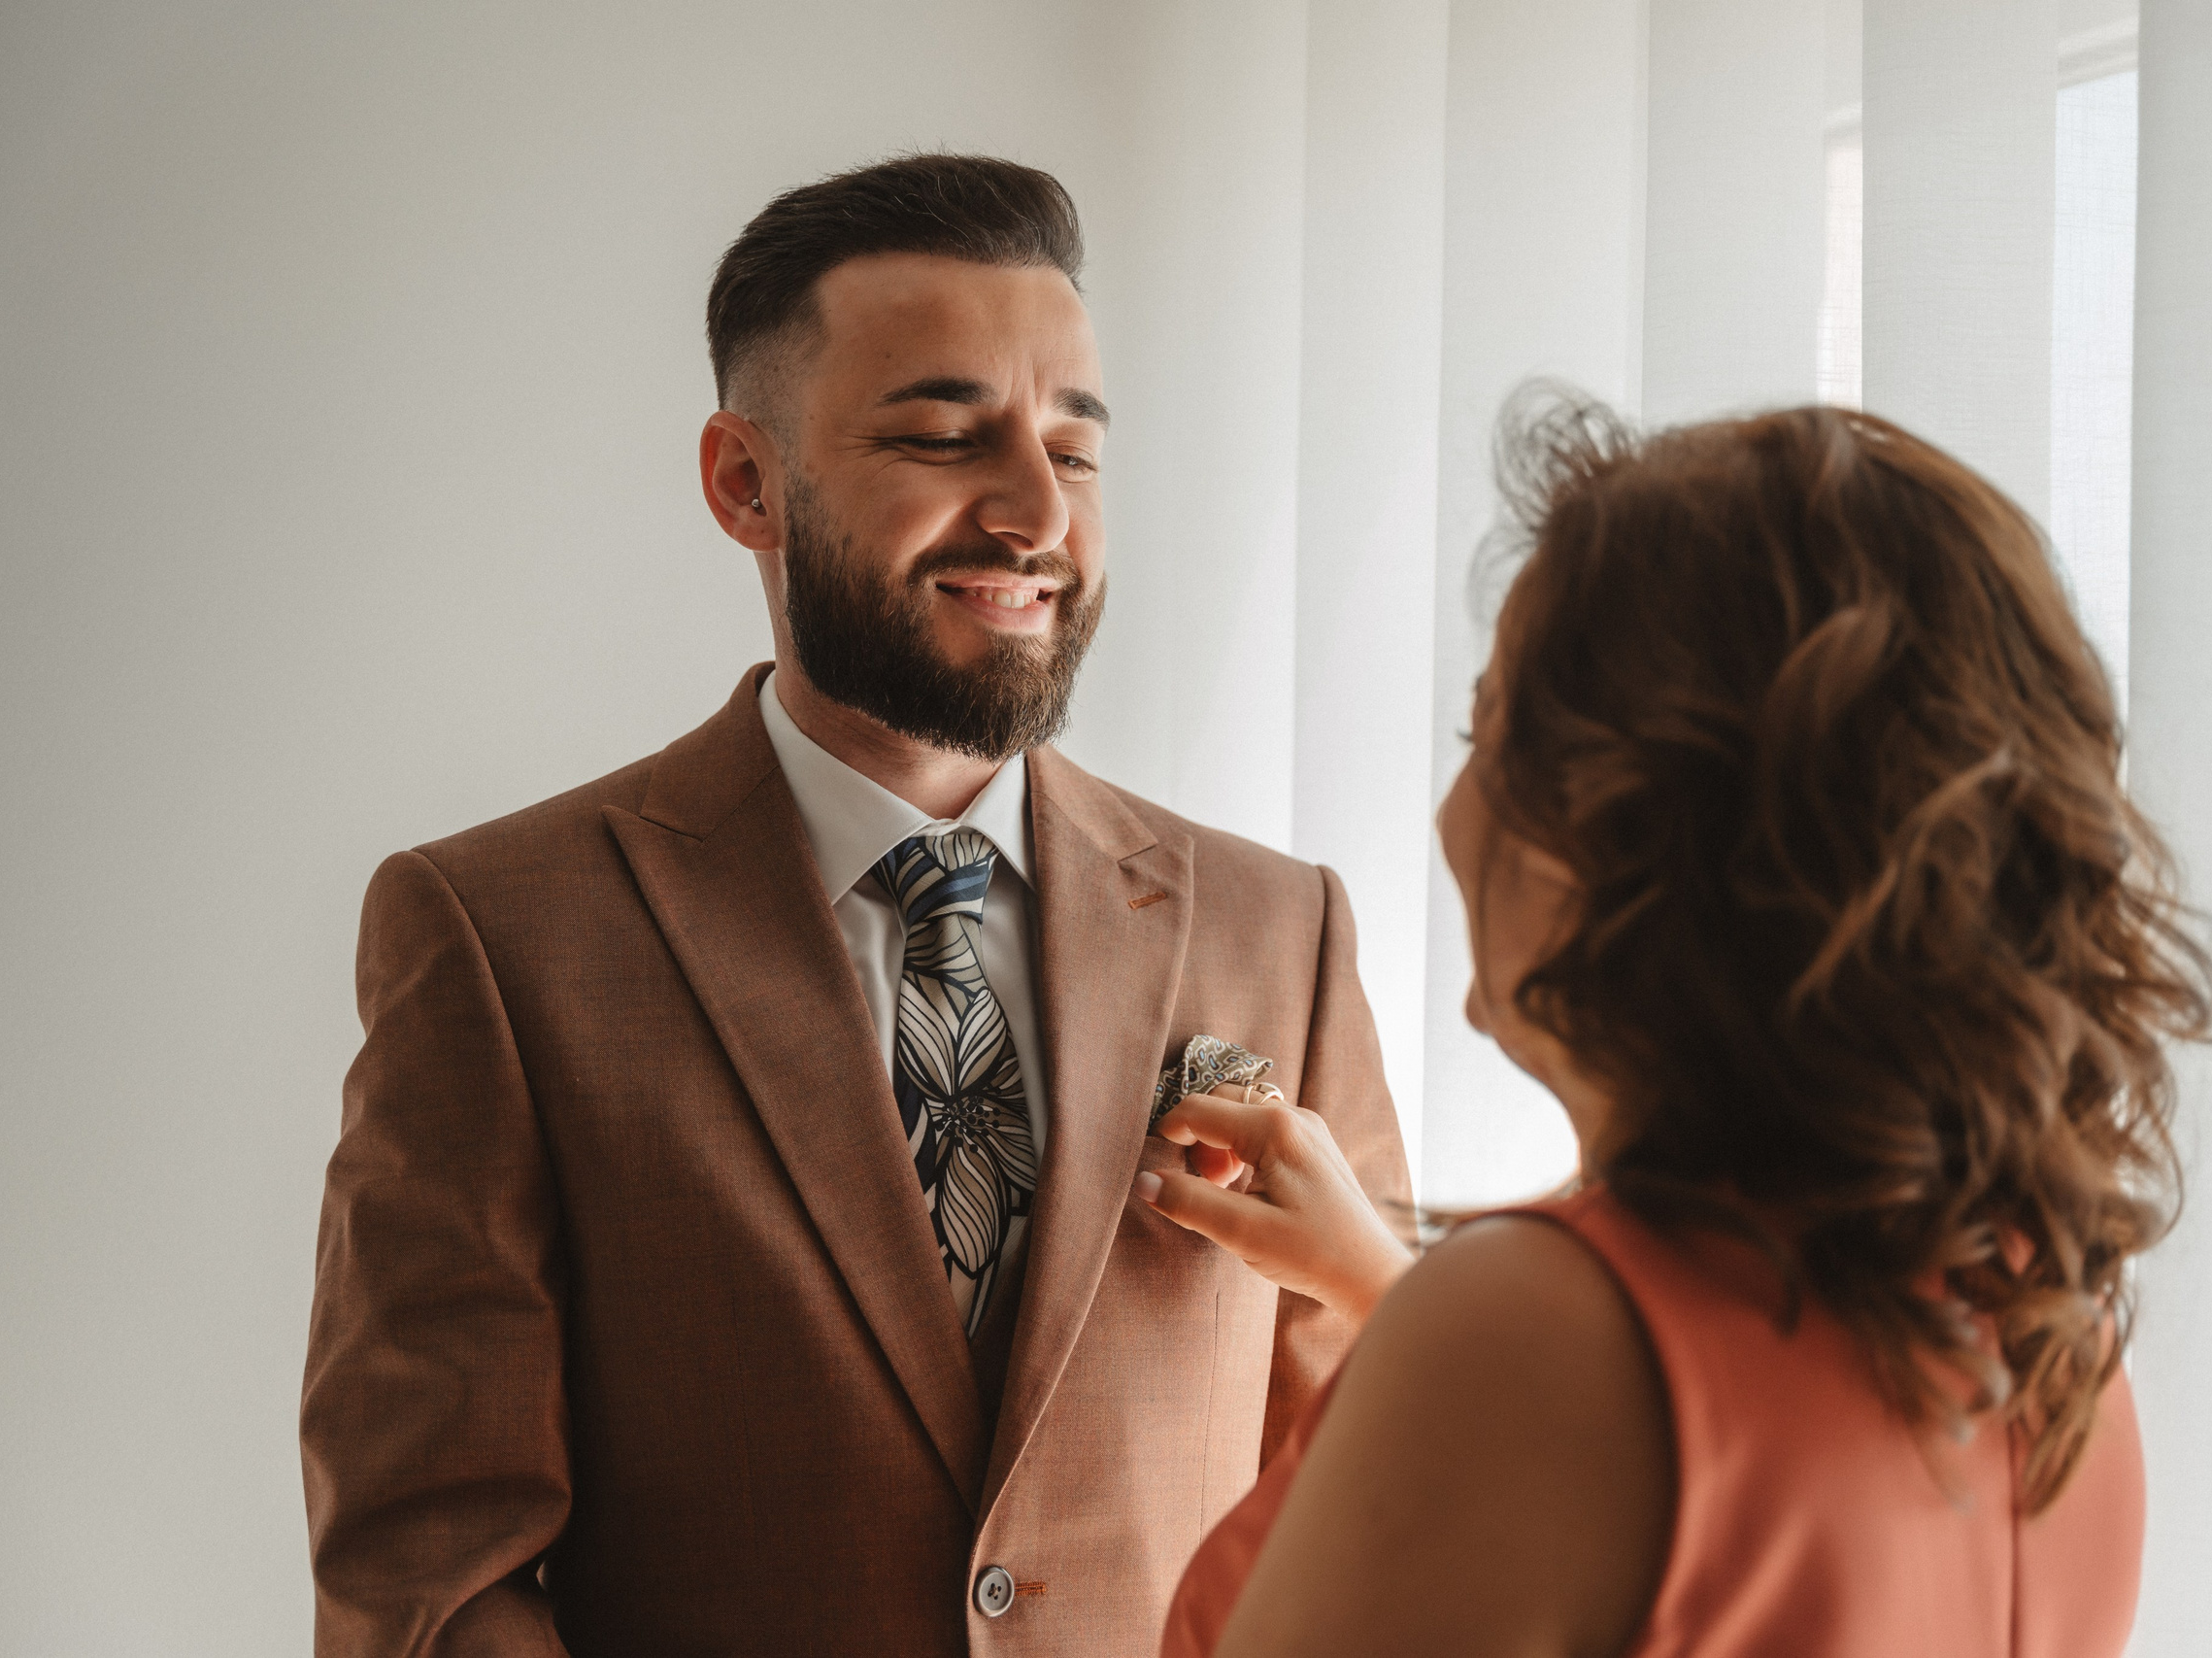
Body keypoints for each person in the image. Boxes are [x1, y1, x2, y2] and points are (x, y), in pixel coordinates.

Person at [298, 152, 1410, 1658]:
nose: (1034, 513)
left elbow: (1389, 1495)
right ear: (745, 484)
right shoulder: (500, 937)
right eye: (949, 438)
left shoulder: (1288, 932)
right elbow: (428, 1580)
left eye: (1076, 455)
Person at [1137, 397, 2212, 1657]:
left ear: (1646, 826)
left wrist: (1447, 1333)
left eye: (1489, 732)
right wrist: (1393, 1300)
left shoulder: (1527, 1341)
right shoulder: (2049, 1333)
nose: (1448, 812)